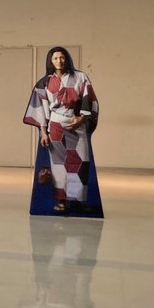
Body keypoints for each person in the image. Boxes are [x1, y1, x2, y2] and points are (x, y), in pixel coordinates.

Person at [23, 47, 100, 213]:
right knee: (58, 165)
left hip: (76, 124)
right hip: (55, 125)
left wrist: (82, 118)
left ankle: (77, 200)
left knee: (80, 161)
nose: (59, 61)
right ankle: (61, 200)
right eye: (55, 58)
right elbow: (41, 108)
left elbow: (89, 99)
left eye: (62, 57)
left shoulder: (81, 77)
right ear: (50, 61)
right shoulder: (44, 82)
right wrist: (44, 132)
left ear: (67, 59)